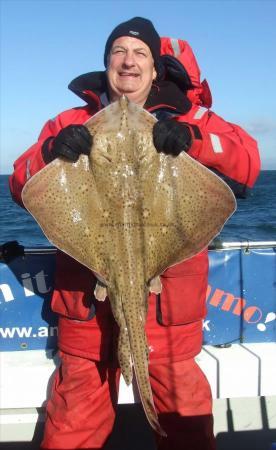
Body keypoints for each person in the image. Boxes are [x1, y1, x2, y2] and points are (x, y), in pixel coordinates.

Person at [9, 17, 260, 450]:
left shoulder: (192, 117)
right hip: (84, 309)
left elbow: (248, 162)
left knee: (185, 423)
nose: (128, 61)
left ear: (155, 66)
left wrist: (193, 139)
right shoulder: (70, 121)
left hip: (169, 313)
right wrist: (51, 151)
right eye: (118, 52)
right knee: (73, 425)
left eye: (140, 52)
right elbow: (20, 182)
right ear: (106, 63)